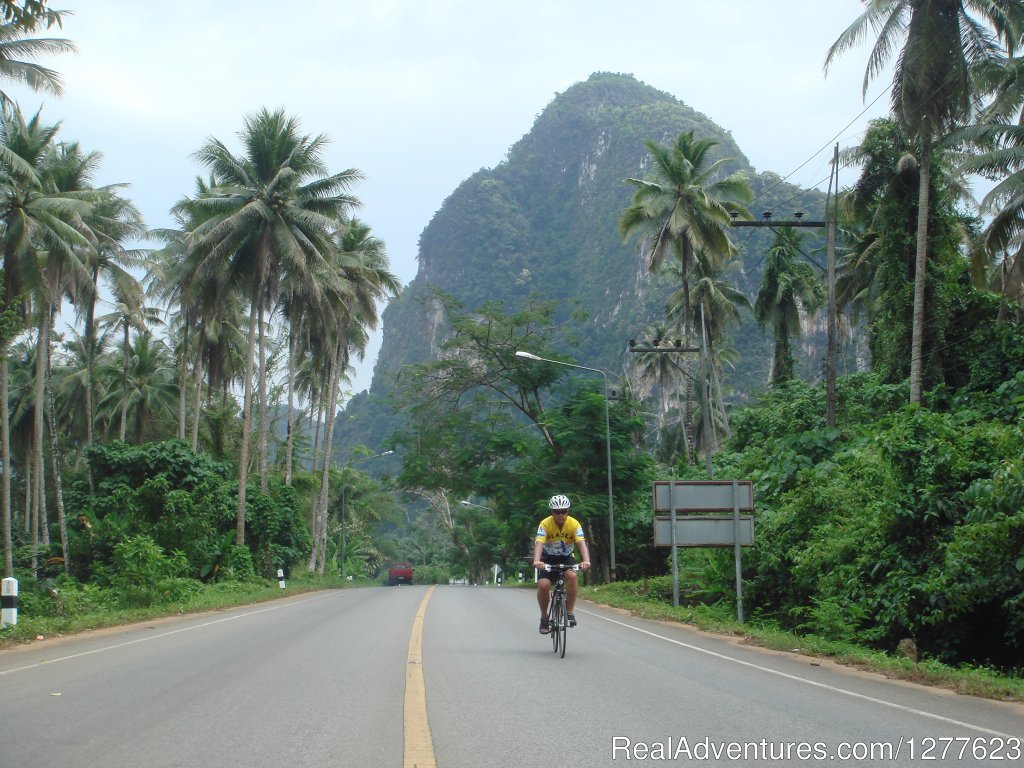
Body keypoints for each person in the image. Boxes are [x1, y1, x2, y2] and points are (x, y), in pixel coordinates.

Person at [533, 493, 591, 635]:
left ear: (568, 511)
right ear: (552, 512)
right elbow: (539, 543)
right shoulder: (545, 524)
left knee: (571, 576)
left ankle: (570, 612)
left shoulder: (574, 523)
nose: (560, 515)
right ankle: (544, 617)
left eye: (564, 511)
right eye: (557, 512)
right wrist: (537, 560)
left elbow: (581, 543)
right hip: (548, 558)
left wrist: (586, 561)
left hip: (566, 557)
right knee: (543, 585)